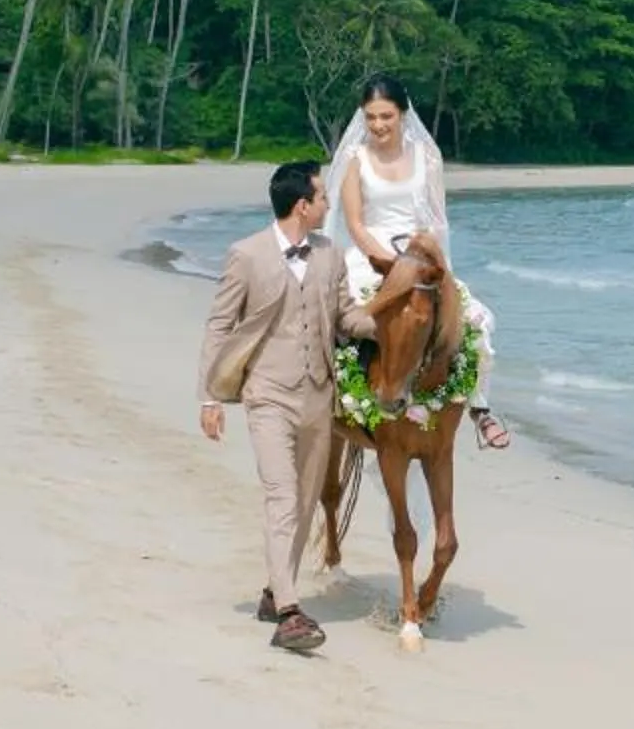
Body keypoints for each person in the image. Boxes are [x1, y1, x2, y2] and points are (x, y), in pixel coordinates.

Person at [195, 159, 367, 653]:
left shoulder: (331, 254)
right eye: (322, 197)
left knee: (307, 501)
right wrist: (210, 396)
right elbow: (220, 325)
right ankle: (290, 614)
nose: (328, 204)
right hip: (268, 394)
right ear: (302, 205)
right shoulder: (246, 255)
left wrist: (395, 320)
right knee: (282, 497)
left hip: (319, 397)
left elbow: (347, 318)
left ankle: (275, 593)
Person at [325, 73, 511, 449]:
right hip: (372, 257)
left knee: (477, 319)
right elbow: (355, 224)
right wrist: (387, 263)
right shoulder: (354, 160)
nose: (378, 125)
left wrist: (428, 260)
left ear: (402, 114)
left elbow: (437, 221)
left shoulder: (427, 157)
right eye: (371, 117)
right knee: (341, 319)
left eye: (386, 116)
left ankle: (480, 407)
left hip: (421, 255)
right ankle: (336, 399)